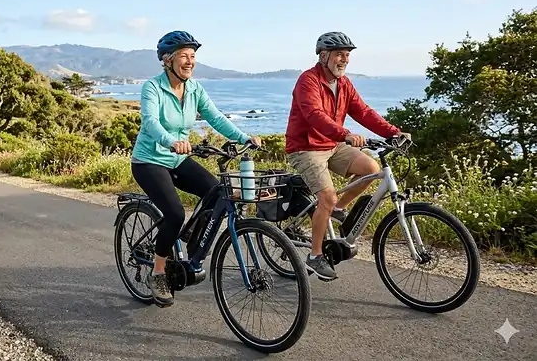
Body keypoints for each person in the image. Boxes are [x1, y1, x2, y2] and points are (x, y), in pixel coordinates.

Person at [130, 30, 262, 307]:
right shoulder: (152, 87)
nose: (189, 61)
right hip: (149, 160)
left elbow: (214, 116)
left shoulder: (194, 89)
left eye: (193, 56)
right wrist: (171, 141)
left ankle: (190, 247)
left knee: (215, 191)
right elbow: (151, 122)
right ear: (167, 60)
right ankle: (158, 273)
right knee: (175, 213)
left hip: (177, 159)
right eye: (183, 56)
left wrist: (243, 137)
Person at [284, 31, 411, 281]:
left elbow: (363, 111)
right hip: (306, 147)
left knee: (371, 168)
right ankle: (315, 255)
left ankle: (338, 209)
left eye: (347, 55)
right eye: (339, 54)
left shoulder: (343, 83)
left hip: (332, 144)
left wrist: (393, 132)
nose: (344, 59)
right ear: (323, 56)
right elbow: (314, 116)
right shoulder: (307, 81)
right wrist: (345, 133)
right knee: (327, 197)